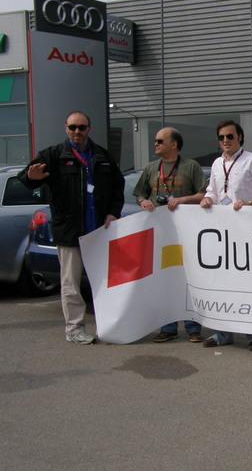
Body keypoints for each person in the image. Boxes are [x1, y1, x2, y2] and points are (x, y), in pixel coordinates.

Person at [18, 111, 124, 344]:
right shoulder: (53, 155)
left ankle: (110, 325)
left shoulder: (102, 155)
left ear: (89, 129)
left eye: (82, 127)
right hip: (69, 232)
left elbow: (118, 186)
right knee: (71, 284)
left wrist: (113, 212)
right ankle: (74, 329)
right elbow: (25, 178)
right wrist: (32, 178)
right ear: (66, 128)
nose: (77, 131)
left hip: (99, 232)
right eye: (73, 127)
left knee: (106, 282)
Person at [200, 119, 252, 350]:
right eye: (221, 137)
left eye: (230, 136)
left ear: (239, 137)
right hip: (222, 233)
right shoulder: (216, 163)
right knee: (223, 284)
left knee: (250, 284)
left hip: (249, 232)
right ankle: (223, 333)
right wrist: (207, 199)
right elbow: (212, 191)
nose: (225, 141)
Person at [133, 127, 207, 343]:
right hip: (161, 235)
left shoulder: (190, 166)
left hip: (186, 234)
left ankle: (193, 328)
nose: (155, 144)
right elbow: (139, 193)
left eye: (160, 141)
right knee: (165, 280)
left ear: (174, 144)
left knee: (188, 279)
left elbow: (203, 193)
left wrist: (182, 200)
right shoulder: (151, 168)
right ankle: (168, 327)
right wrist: (143, 202)